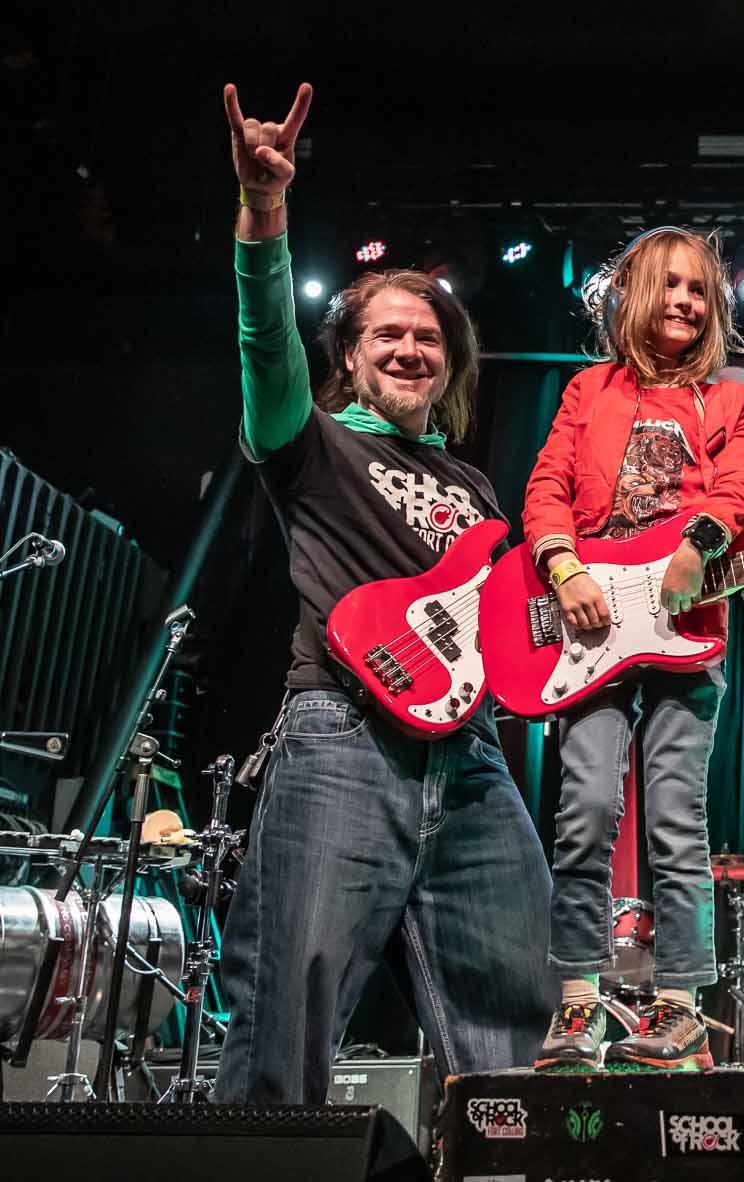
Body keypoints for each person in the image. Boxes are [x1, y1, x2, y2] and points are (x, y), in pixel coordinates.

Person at [215, 82, 552, 1103]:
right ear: (350, 359)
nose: (412, 349)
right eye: (388, 337)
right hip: (344, 733)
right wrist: (265, 214)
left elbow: (514, 630)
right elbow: (265, 341)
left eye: (430, 340)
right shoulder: (306, 442)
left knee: (508, 1002)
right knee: (294, 1002)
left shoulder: (479, 491)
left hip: (473, 756)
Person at [521, 226, 744, 1070]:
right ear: (633, 297)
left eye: (699, 290)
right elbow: (548, 486)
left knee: (677, 822)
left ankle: (680, 1007)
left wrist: (699, 543)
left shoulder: (732, 401)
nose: (684, 301)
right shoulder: (589, 390)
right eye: (668, 285)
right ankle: (579, 1004)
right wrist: (561, 567)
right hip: (589, 627)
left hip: (688, 630)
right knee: (585, 810)